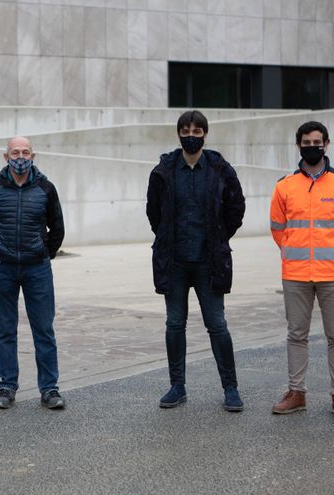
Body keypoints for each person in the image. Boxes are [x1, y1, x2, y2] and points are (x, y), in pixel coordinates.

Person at [146, 110, 246, 412]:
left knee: (217, 324)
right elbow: (153, 212)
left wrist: (218, 238)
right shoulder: (164, 169)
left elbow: (236, 209)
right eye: (186, 130)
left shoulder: (220, 169)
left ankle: (231, 388)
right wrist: (165, 238)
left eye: (197, 131)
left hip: (208, 261)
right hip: (174, 261)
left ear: (206, 134)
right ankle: (177, 386)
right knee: (174, 323)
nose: (192, 136)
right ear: (178, 134)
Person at [269, 121, 334, 420]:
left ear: (326, 144)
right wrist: (292, 253)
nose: (313, 147)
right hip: (296, 273)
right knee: (296, 334)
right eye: (307, 142)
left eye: (317, 142)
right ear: (298, 145)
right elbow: (277, 229)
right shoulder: (285, 186)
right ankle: (296, 393)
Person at [0, 136, 66, 410]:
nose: (20, 156)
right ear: (6, 157)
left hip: (37, 268)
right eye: (15, 152)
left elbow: (57, 227)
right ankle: (6, 387)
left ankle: (49, 389)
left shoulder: (46, 188)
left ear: (33, 156)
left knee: (44, 329)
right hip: (2, 268)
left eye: (25, 152)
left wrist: (43, 252)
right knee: (6, 329)